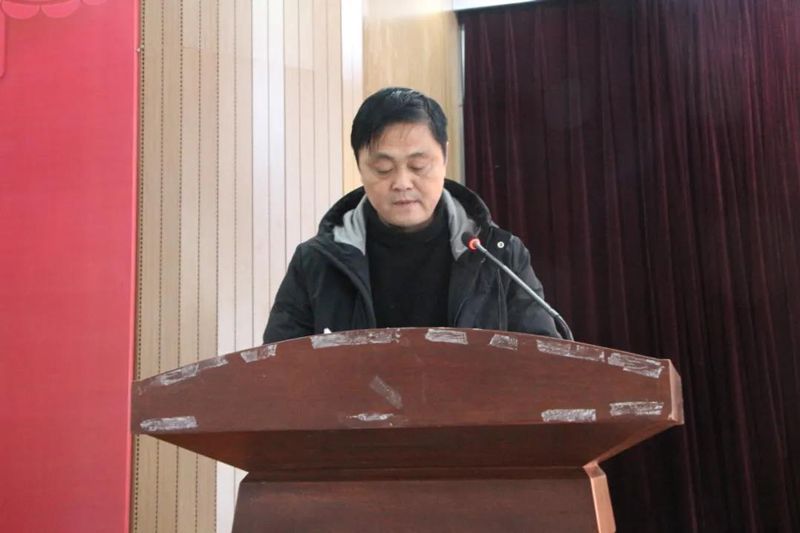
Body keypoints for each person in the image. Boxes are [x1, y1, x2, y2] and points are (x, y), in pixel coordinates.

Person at [263, 87, 560, 343]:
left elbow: (544, 365)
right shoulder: (317, 263)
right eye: (383, 169)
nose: (402, 182)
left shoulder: (499, 256)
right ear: (360, 166)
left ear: (444, 157)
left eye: (418, 166)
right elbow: (279, 373)